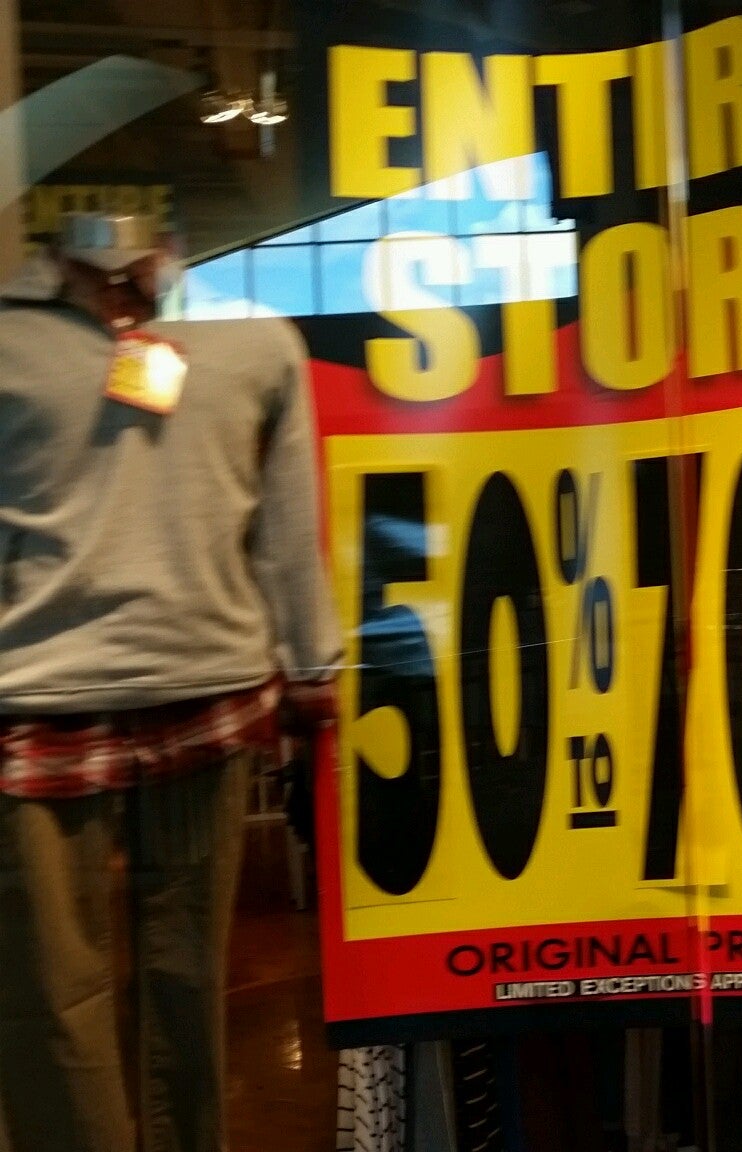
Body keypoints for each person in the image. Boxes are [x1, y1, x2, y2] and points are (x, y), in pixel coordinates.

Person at [0, 212, 339, 1152]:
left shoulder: (254, 337)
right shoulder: (10, 335)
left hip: (207, 687)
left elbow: (287, 515)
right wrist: (313, 666)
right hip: (35, 698)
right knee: (46, 993)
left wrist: (314, 660)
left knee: (189, 975)